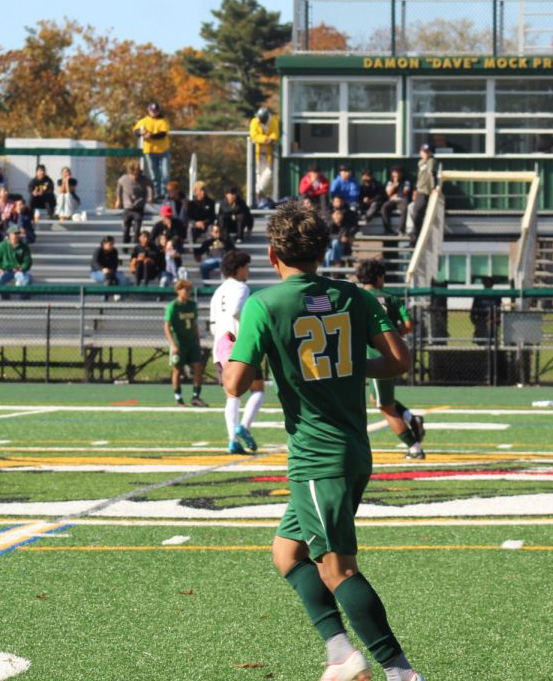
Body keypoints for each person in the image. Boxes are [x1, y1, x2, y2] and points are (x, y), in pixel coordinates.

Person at [221, 203, 422, 681]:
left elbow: (235, 384)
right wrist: (348, 366)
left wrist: (231, 355)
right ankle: (340, 653)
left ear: (272, 254)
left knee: (337, 568)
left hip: (317, 455)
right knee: (287, 554)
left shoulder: (266, 305)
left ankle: (400, 671)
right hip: (352, 449)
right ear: (324, 249)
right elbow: (398, 361)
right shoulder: (353, 295)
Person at [357, 257, 424, 460]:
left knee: (384, 406)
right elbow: (409, 324)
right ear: (378, 277)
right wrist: (395, 336)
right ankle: (410, 417)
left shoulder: (358, 297)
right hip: (392, 354)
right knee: (377, 398)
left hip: (373, 356)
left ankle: (414, 447)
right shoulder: (391, 298)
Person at [209, 250, 263, 454]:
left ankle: (232, 440)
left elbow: (214, 324)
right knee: (258, 390)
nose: (247, 271)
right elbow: (235, 311)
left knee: (232, 395)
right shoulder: (241, 287)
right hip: (239, 346)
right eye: (247, 267)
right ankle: (244, 427)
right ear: (239, 268)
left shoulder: (218, 291)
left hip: (220, 348)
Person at [164, 278, 206, 407]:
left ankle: (196, 397)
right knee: (178, 369)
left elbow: (194, 324)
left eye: (189, 290)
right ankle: (179, 398)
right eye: (185, 289)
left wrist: (197, 341)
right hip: (179, 342)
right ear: (178, 291)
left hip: (191, 341)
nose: (187, 292)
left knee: (198, 367)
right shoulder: (173, 306)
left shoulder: (192, 305)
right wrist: (172, 344)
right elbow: (167, 326)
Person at [133, 102, 170, 192]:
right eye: (152, 110)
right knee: (154, 175)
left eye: (155, 111)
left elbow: (163, 134)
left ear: (158, 111)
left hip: (163, 151)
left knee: (165, 174)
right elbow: (135, 131)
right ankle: (156, 193)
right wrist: (140, 132)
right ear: (149, 110)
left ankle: (165, 193)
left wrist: (151, 136)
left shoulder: (163, 120)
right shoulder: (143, 121)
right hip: (150, 151)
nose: (154, 112)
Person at [116, 160, 153, 244]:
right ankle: (125, 245)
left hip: (138, 207)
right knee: (126, 227)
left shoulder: (143, 179)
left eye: (137, 174)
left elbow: (151, 186)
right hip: (128, 207)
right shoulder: (124, 179)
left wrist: (150, 197)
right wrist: (119, 200)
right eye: (133, 175)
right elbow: (119, 189)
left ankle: (135, 243)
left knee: (137, 227)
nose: (135, 177)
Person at [249, 106, 279, 205]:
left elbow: (275, 134)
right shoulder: (254, 121)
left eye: (261, 118)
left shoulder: (273, 121)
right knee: (258, 174)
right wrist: (265, 139)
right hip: (257, 154)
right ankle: (258, 196)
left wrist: (271, 139)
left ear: (265, 117)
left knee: (268, 173)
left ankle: (259, 191)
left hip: (268, 154)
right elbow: (253, 135)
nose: (259, 119)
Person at [410, 144, 437, 243]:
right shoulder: (420, 162)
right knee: (414, 211)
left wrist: (433, 187)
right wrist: (415, 190)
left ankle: (416, 234)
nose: (425, 154)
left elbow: (432, 174)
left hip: (426, 191)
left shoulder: (431, 161)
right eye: (423, 152)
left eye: (427, 152)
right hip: (420, 190)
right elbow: (419, 178)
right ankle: (415, 234)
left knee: (417, 212)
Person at [325, 197, 359, 268]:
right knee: (328, 254)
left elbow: (353, 229)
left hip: (343, 247)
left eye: (339, 214)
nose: (338, 216)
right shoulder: (329, 223)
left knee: (335, 243)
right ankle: (328, 272)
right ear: (333, 215)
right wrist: (339, 238)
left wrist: (347, 237)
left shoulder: (345, 224)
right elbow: (327, 235)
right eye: (336, 214)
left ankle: (337, 264)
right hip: (330, 247)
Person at [380, 167, 411, 236]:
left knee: (404, 208)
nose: (396, 175)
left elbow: (406, 191)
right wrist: (394, 185)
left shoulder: (406, 181)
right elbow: (388, 193)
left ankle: (401, 230)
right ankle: (388, 230)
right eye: (394, 173)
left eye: (397, 173)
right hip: (392, 200)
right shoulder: (390, 182)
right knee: (384, 207)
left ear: (400, 173)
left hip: (402, 199)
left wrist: (397, 194)